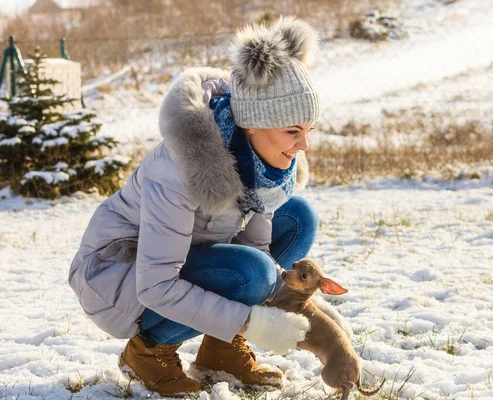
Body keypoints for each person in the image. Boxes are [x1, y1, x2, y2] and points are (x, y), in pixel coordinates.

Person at [68, 17, 344, 397]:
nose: (304, 146)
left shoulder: (265, 168)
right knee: (253, 274)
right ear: (252, 125)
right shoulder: (179, 169)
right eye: (293, 132)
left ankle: (221, 349)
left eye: (308, 130)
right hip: (120, 276)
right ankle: (147, 351)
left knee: (297, 217)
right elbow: (156, 285)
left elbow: (259, 247)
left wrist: (280, 301)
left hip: (185, 257)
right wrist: (251, 322)